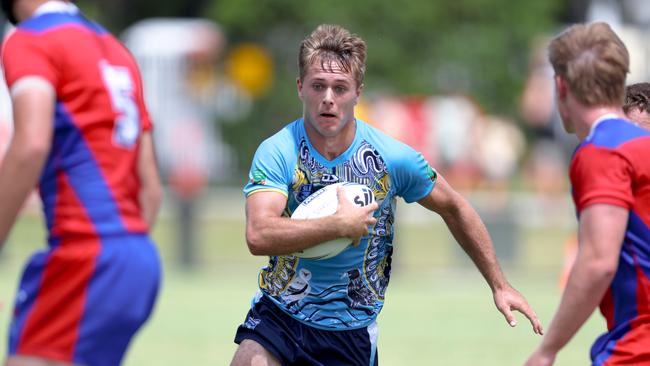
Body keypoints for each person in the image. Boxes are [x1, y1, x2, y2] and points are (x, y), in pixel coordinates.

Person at [231, 23, 542, 366]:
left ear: (358, 92)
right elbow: (258, 234)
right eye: (318, 86)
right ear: (301, 87)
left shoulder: (390, 158)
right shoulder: (278, 151)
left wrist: (499, 284)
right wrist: (337, 225)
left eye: (340, 87)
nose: (329, 99)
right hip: (280, 317)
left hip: (350, 333)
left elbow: (455, 207)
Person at [0, 1, 162, 365]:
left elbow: (30, 145)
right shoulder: (117, 51)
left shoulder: (31, 39)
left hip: (83, 257)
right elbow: (149, 187)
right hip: (138, 260)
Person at [525, 22, 650, 366]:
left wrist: (547, 349)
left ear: (561, 86)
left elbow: (598, 263)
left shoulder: (603, 150)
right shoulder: (641, 144)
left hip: (638, 347)